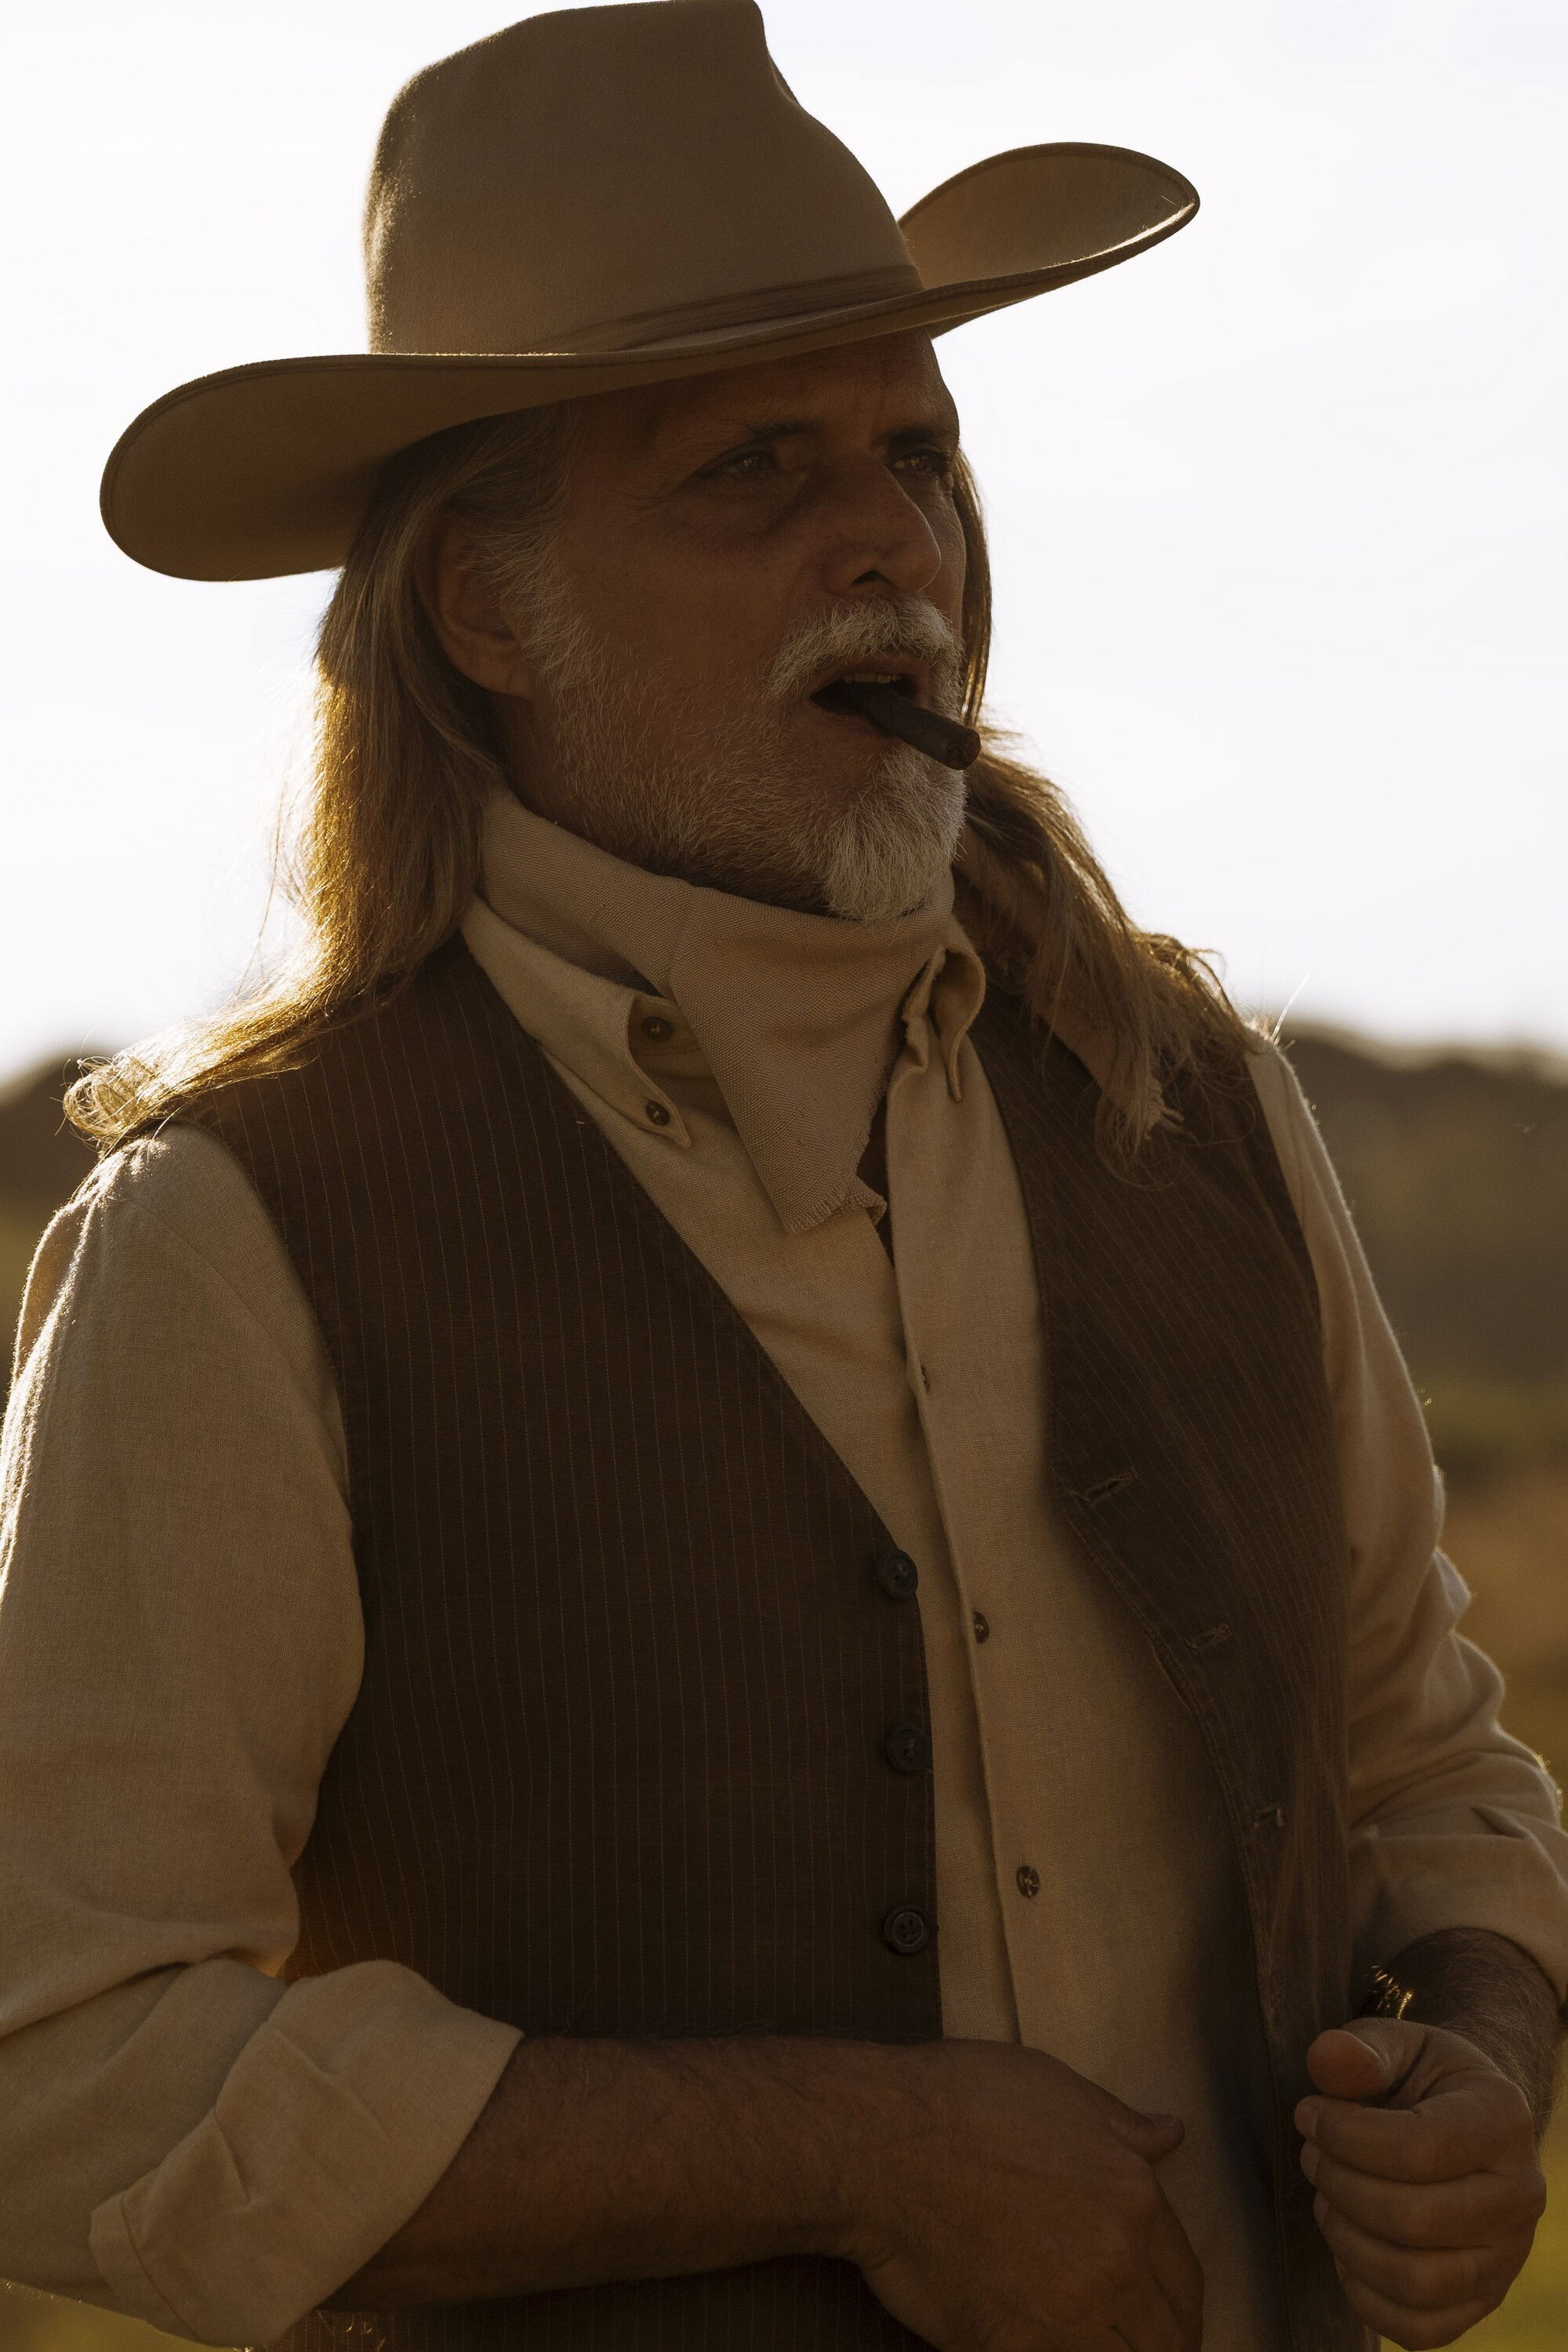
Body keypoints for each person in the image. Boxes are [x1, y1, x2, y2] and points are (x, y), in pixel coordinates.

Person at [2, 8, 1563, 2350]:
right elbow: (62, 2058)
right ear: (484, 609)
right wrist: (850, 2153)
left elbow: (1423, 1757)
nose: (895, 543)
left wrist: (1487, 2056)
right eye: (751, 470)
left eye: (916, 453)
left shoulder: (1198, 1110)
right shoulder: (241, 1230)